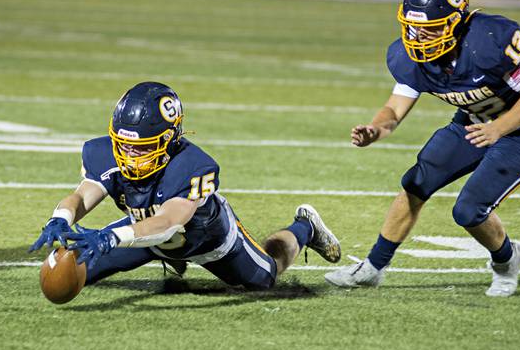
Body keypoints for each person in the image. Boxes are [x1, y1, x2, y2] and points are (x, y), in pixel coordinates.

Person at [325, 0, 520, 297]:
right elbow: (394, 110)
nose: (418, 36)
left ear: (455, 22)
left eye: (429, 29)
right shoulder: (410, 58)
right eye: (414, 27)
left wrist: (498, 129)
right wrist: (376, 129)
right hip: (473, 124)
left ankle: (506, 260)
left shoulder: (489, 40)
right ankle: (373, 268)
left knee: (468, 211)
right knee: (415, 183)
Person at [30, 82, 341, 293]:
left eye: (142, 147)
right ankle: (168, 258)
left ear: (168, 139)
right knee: (75, 270)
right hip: (144, 228)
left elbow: (169, 223)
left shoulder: (192, 165)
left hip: (205, 235)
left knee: (266, 277)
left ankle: (305, 228)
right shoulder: (107, 153)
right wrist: (60, 218)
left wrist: (114, 236)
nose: (130, 155)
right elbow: (83, 195)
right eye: (124, 145)